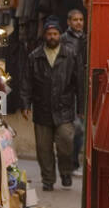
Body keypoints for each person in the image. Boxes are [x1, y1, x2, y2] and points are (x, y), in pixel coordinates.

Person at [19, 16, 84, 192]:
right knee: (43, 148)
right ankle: (48, 179)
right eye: (49, 34)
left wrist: (82, 109)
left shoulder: (70, 55)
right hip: (42, 109)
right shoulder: (35, 57)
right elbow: (26, 82)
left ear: (60, 35)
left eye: (55, 33)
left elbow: (79, 82)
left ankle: (65, 172)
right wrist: (25, 104)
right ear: (45, 35)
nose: (52, 37)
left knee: (66, 142)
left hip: (64, 109)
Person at [65, 8, 87, 177]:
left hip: (83, 90)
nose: (78, 23)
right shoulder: (64, 40)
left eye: (81, 20)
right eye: (75, 20)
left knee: (80, 129)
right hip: (69, 91)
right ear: (69, 22)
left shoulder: (87, 39)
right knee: (76, 129)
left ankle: (72, 163)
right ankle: (71, 163)